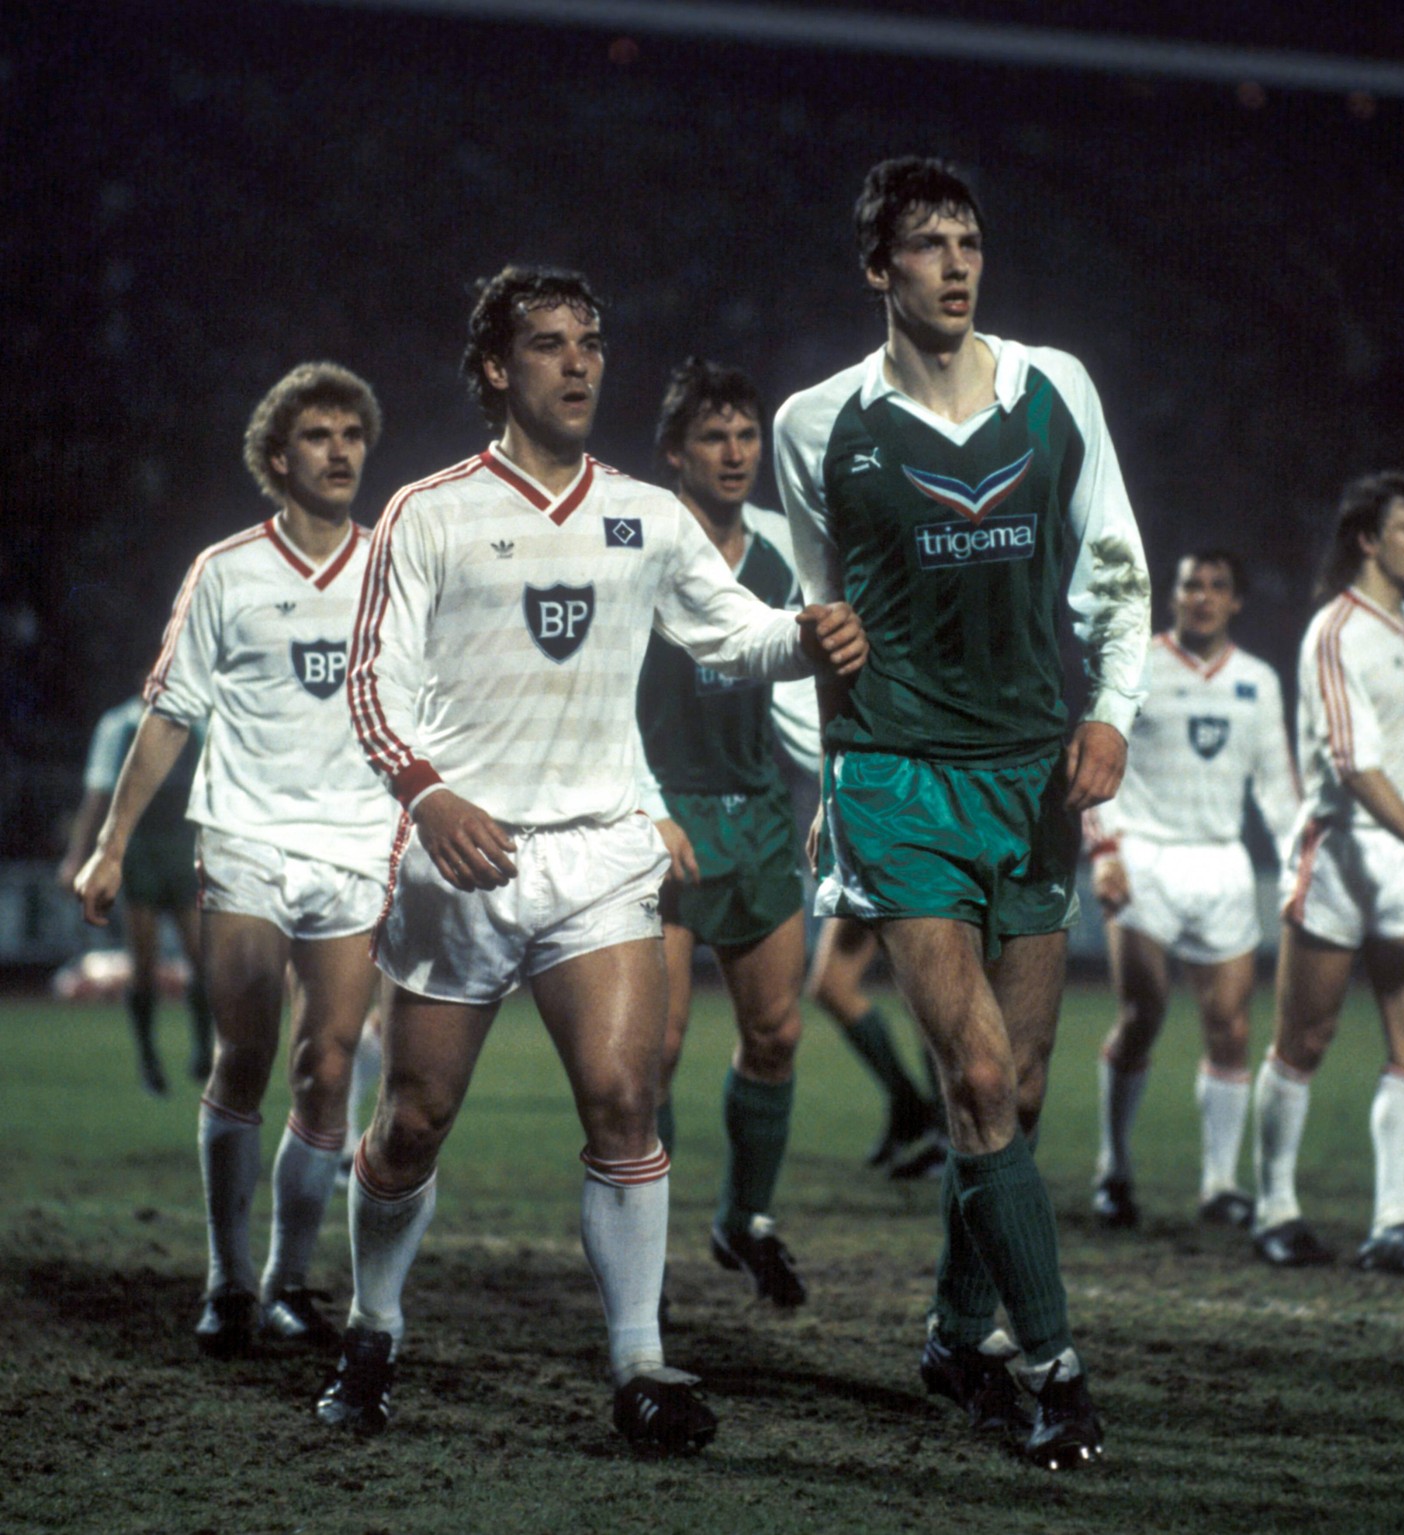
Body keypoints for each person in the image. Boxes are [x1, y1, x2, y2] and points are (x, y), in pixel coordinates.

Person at [321, 267, 866, 1450]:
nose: (579, 363)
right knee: (413, 1119)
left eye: (592, 342)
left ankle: (640, 1363)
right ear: (495, 368)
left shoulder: (646, 515)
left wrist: (806, 636)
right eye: (550, 344)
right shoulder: (429, 510)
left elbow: (734, 631)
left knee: (626, 1100)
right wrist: (427, 793)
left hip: (603, 851)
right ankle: (372, 1326)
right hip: (462, 857)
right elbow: (370, 682)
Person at [775, 156, 1149, 1470]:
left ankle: (953, 1330)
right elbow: (821, 616)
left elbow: (1117, 569)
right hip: (897, 774)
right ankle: (1054, 1369)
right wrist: (829, 771)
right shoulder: (817, 423)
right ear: (877, 266)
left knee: (1021, 1088)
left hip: (1032, 772)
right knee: (978, 1075)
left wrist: (1112, 713)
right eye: (928, 244)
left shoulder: (1057, 389)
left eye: (970, 241)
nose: (955, 264)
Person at [74, 362, 397, 1357]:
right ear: (277, 457)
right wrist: (110, 845)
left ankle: (288, 1281)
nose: (340, 451)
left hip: (355, 843)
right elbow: (169, 712)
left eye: (352, 433)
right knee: (246, 1053)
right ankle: (226, 1280)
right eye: (318, 435)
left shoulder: (397, 567)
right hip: (247, 839)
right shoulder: (225, 570)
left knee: (329, 1063)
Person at [1252, 472, 1404, 1272]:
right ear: (1367, 539)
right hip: (1343, 853)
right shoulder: (1335, 630)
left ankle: (1393, 1222)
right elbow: (1352, 764)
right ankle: (1275, 1209)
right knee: (1304, 1038)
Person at [634, 357, 824, 1308]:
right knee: (656, 1047)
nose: (736, 451)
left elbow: (830, 669)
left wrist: (835, 786)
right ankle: (645, 1246)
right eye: (713, 435)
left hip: (758, 810)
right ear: (675, 452)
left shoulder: (785, 549)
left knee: (777, 1031)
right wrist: (643, 803)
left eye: (747, 434)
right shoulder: (641, 545)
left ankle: (744, 1220)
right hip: (665, 813)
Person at [1083, 551, 1298, 1229]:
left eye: (1216, 586)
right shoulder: (1137, 664)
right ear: (1172, 595)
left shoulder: (1257, 680)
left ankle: (1219, 1183)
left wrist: (1298, 864)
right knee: (1142, 1014)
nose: (1202, 596)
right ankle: (1113, 1168)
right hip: (1145, 857)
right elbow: (1094, 758)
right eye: (1190, 585)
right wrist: (1106, 852)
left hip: (1222, 862)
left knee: (1231, 1026)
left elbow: (1277, 784)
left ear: (1235, 601)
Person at [58, 693, 212, 1094]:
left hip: (183, 848)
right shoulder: (120, 725)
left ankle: (203, 1049)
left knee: (200, 954)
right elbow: (98, 795)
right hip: (138, 851)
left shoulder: (197, 724)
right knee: (143, 961)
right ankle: (148, 1059)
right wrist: (77, 856)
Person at [807, 915, 944, 1178]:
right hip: (863, 886)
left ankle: (950, 1134)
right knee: (830, 986)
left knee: (924, 990)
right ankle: (909, 1107)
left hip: (917, 889)